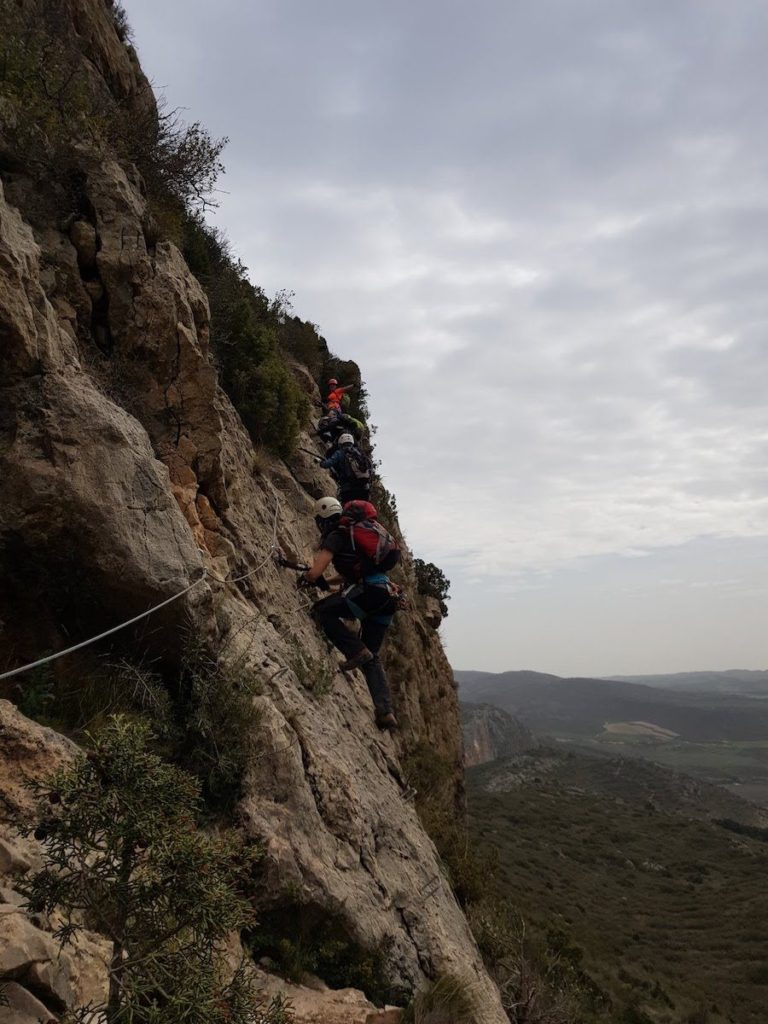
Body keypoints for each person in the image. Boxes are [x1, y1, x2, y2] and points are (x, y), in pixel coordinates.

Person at [299, 497, 400, 730]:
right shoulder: (359, 537)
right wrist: (327, 582)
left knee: (323, 611)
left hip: (368, 592)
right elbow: (348, 576)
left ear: (323, 518)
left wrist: (309, 578)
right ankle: (385, 713)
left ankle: (356, 651)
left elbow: (316, 571)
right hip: (387, 595)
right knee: (372, 656)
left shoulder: (338, 534)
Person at [320, 433, 372, 504]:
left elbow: (328, 463)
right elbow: (369, 467)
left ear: (340, 442)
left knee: (347, 509)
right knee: (363, 509)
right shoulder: (360, 452)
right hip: (364, 488)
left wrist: (321, 463)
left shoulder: (340, 452)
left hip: (348, 488)